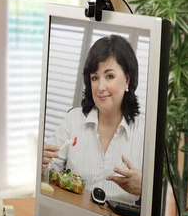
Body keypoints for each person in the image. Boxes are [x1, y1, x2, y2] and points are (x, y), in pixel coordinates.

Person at [42, 34, 144, 204]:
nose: (100, 87)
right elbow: (49, 175)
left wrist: (144, 187)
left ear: (127, 79)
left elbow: (157, 201)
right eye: (94, 78)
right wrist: (41, 165)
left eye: (109, 76)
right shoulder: (73, 120)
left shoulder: (146, 132)